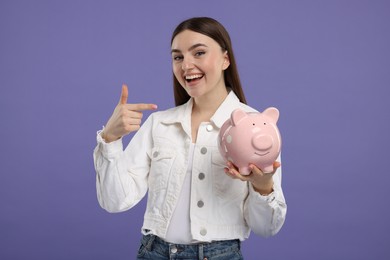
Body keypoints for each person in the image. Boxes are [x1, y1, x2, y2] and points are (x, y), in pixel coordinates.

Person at [93, 17, 287, 260]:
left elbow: (267, 228)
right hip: (154, 253)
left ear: (226, 59)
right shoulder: (159, 124)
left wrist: (263, 185)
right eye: (178, 57)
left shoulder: (258, 128)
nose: (186, 65)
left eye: (199, 53)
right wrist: (110, 139)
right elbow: (115, 201)